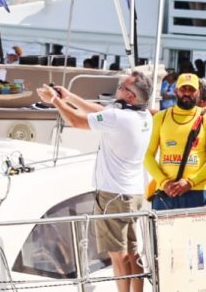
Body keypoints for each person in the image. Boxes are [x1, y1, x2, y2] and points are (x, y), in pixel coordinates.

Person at [37, 72, 153, 292]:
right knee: (133, 254)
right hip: (133, 193)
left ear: (129, 96)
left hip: (113, 195)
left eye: (121, 87)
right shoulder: (143, 115)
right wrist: (69, 96)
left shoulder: (119, 118)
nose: (117, 89)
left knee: (118, 258)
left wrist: (54, 101)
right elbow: (102, 112)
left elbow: (76, 121)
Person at [144, 73, 206, 211]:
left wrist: (190, 182)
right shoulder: (161, 117)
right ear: (175, 90)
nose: (187, 93)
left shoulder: (204, 118)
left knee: (196, 233)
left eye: (191, 90)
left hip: (197, 191)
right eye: (183, 89)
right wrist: (164, 182)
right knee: (162, 233)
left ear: (198, 92)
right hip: (166, 192)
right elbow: (147, 155)